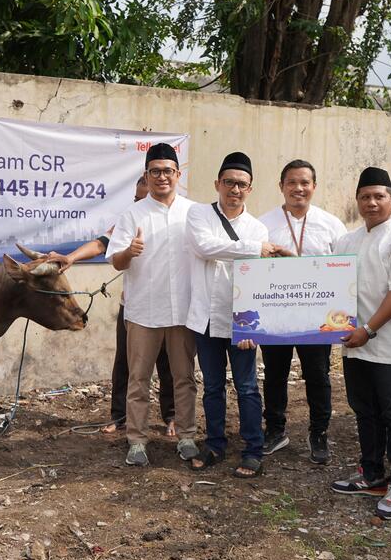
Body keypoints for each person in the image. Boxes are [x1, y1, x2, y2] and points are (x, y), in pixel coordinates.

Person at [185, 152, 291, 477]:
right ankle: (215, 444)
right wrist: (252, 248)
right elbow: (205, 247)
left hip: (241, 323)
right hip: (205, 319)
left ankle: (253, 449)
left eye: (241, 184)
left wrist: (251, 329)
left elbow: (257, 281)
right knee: (213, 386)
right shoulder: (198, 215)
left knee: (246, 387)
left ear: (250, 189)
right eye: (229, 182)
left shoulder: (257, 227)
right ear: (218, 184)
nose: (235, 189)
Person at [47, 177, 176, 436]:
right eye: (137, 198)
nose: (141, 202)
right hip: (134, 306)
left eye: (145, 197)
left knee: (169, 364)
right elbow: (100, 244)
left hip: (170, 306)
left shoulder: (180, 219)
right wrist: (70, 257)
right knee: (125, 363)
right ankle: (121, 416)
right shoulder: (129, 220)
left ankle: (172, 416)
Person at [329, 167, 391, 520]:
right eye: (365, 196)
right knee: (364, 411)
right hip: (354, 344)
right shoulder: (347, 241)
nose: (371, 202)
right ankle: (370, 473)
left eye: (379, 196)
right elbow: (328, 284)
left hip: (388, 346)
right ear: (357, 200)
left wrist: (368, 328)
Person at [105, 143, 198, 467]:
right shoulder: (132, 215)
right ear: (147, 175)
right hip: (144, 312)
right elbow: (115, 262)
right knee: (138, 379)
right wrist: (128, 251)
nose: (162, 177)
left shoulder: (194, 213)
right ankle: (137, 441)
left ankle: (187, 435)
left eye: (167, 171)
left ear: (178, 174)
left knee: (184, 377)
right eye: (155, 171)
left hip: (183, 312)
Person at [258, 159, 347, 463]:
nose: (299, 188)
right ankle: (275, 430)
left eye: (305, 182)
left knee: (318, 376)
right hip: (276, 317)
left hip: (317, 320)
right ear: (281, 186)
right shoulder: (263, 224)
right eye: (292, 182)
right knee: (274, 375)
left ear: (314, 187)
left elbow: (343, 271)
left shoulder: (332, 224)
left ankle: (319, 433)